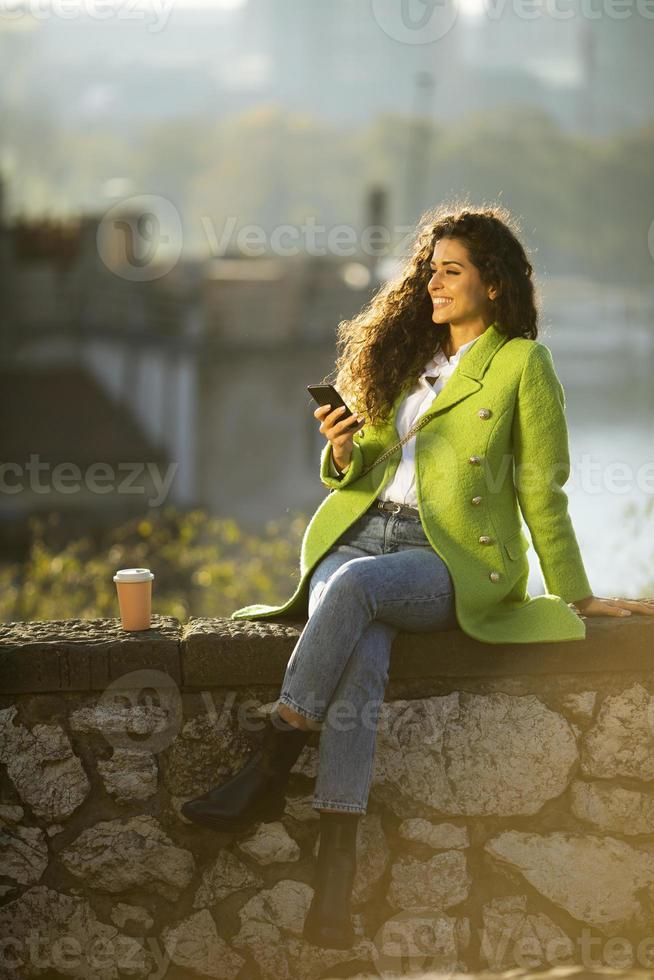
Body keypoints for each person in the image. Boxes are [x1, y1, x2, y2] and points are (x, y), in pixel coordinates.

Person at [182, 204, 654, 950]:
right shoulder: (411, 358)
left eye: (452, 271)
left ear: (493, 284)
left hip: (447, 560)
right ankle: (334, 881)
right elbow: (362, 467)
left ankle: (270, 763)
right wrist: (341, 448)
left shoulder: (524, 365)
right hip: (359, 533)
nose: (433, 283)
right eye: (430, 270)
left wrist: (577, 592)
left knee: (354, 595)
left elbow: (543, 490)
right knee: (362, 647)